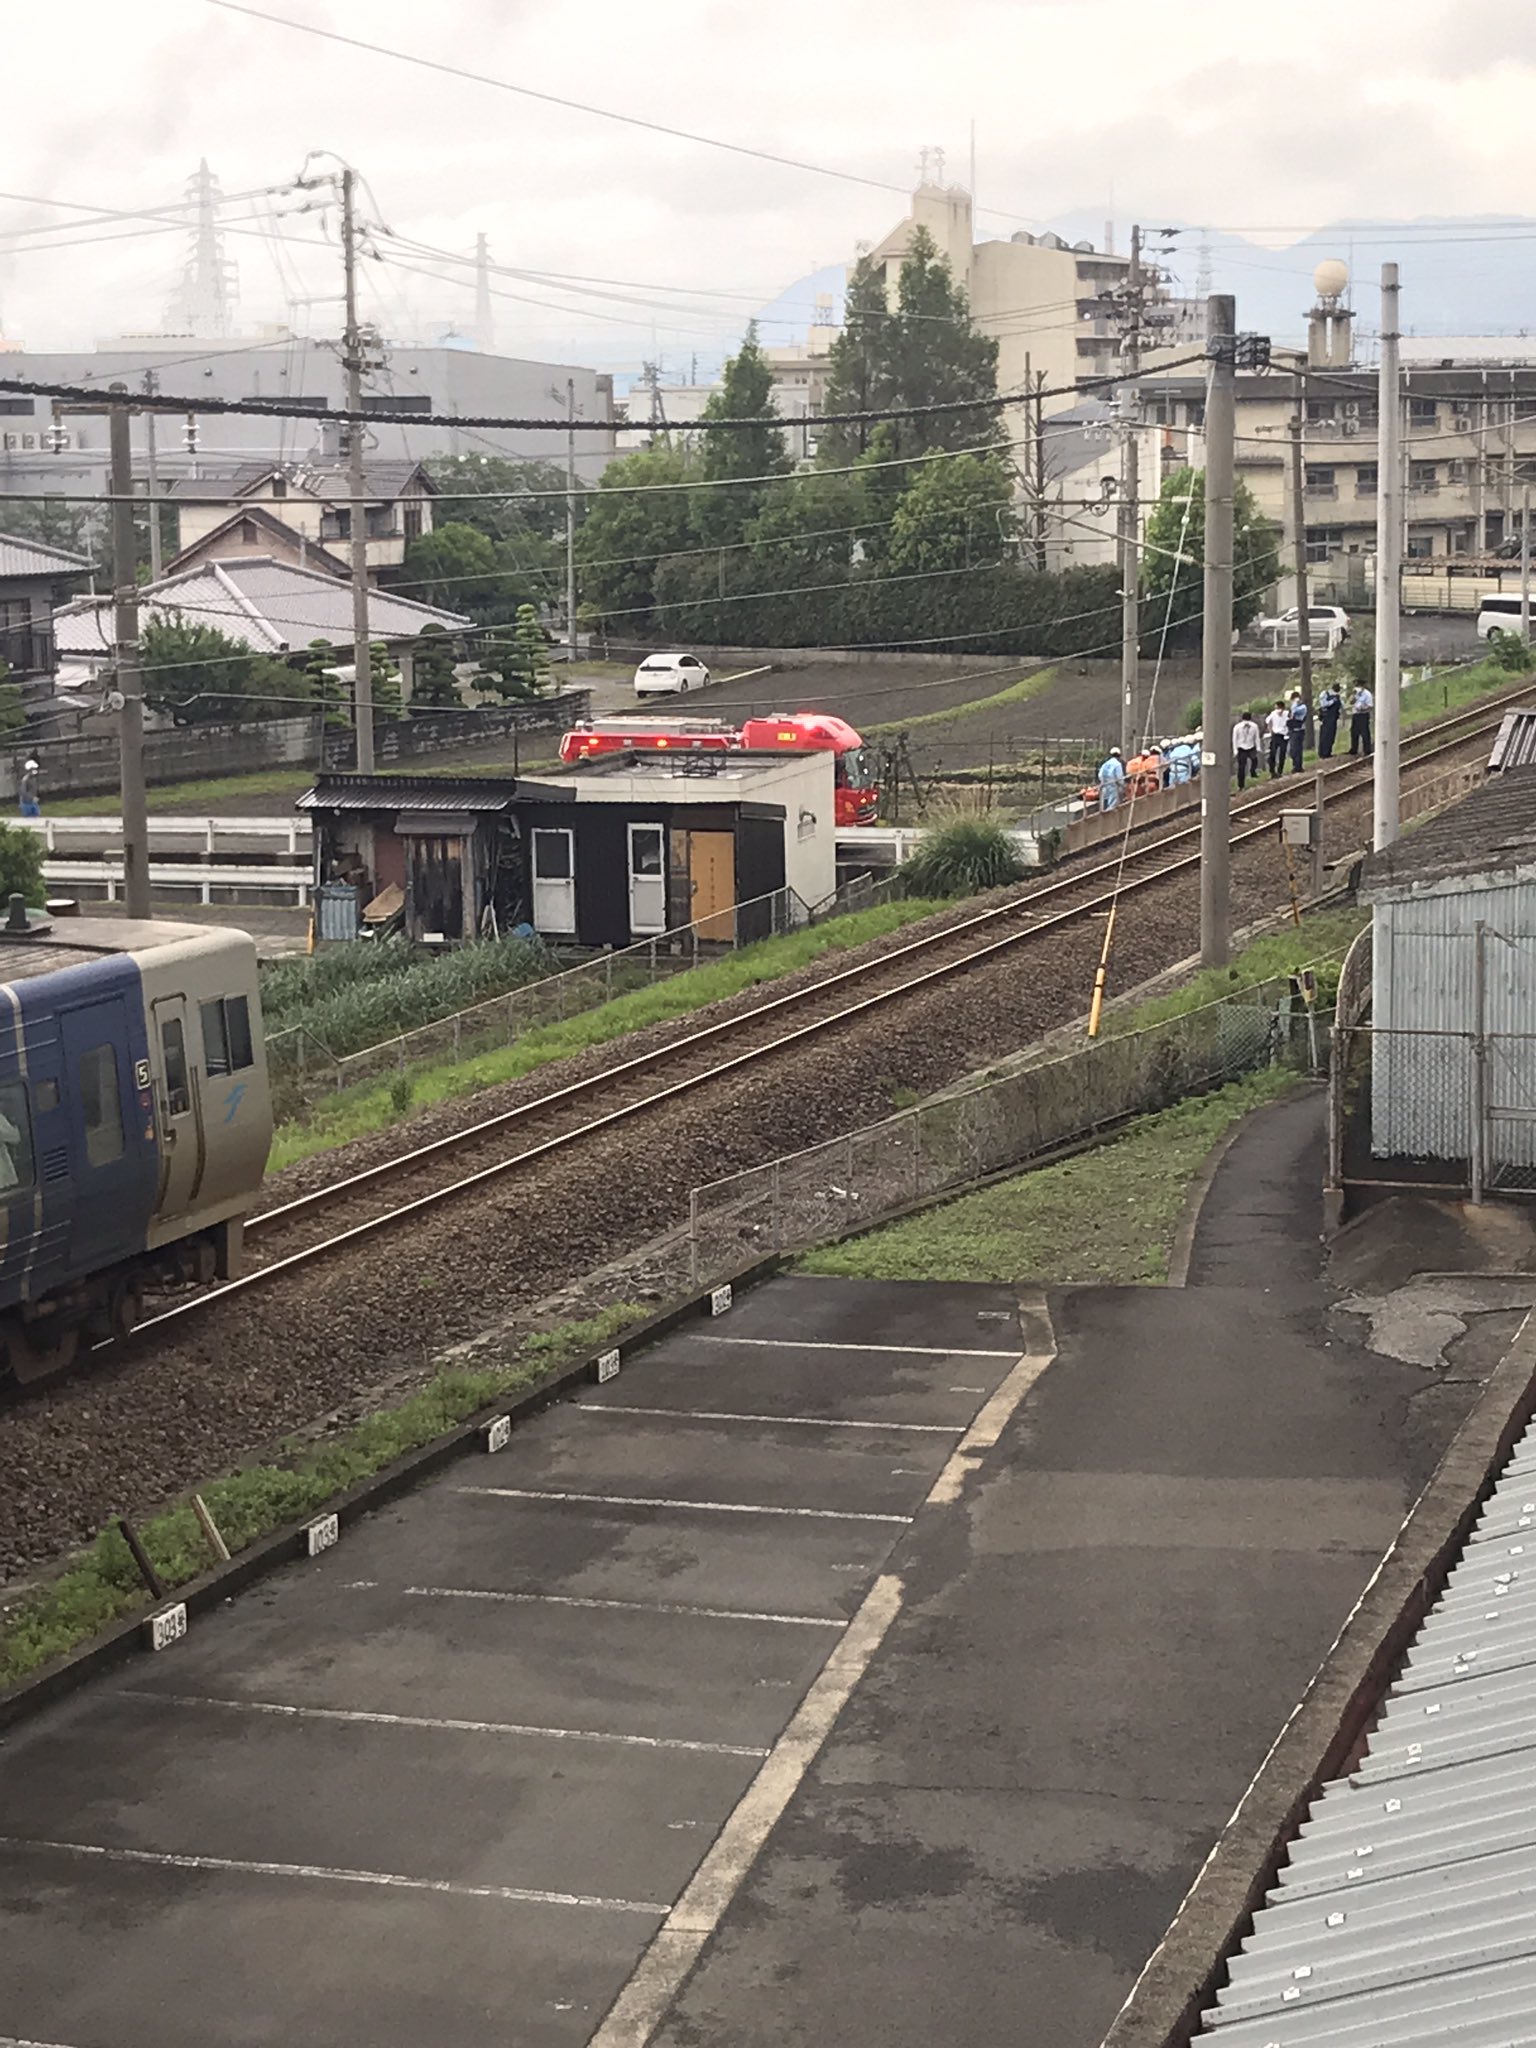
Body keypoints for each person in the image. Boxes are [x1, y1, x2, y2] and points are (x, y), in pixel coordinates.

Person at [1232, 711, 1261, 790]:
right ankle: (1241, 785)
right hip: (1241, 747)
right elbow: (1234, 739)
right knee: (1241, 767)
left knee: (1254, 760)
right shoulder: (1237, 727)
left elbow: (1256, 737)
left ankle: (1253, 771)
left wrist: (1258, 747)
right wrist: (1235, 750)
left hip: (1251, 746)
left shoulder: (1254, 726)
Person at [1317, 681, 1342, 759]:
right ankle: (1323, 753)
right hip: (1326, 717)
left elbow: (1340, 706)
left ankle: (1328, 752)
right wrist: (1333, 701)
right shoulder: (1325, 694)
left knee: (1331, 735)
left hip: (1334, 718)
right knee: (1325, 735)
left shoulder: (1337, 696)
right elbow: (1323, 704)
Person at [1097, 746, 1126, 812]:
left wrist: (1103, 781)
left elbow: (1100, 775)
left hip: (1105, 785)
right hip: (1113, 786)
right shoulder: (1118, 764)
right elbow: (1119, 777)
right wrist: (1122, 785)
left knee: (1105, 802)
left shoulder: (1105, 764)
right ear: (1119, 755)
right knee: (1113, 803)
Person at [1265, 701, 1289, 778]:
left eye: (1278, 708)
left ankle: (1280, 771)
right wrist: (1271, 730)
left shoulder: (1287, 714)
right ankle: (1272, 771)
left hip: (1284, 735)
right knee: (1272, 754)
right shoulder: (1273, 713)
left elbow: (1291, 721)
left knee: (1282, 754)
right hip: (1275, 735)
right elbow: (1268, 721)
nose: (1277, 710)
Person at [1287, 692, 1309, 773]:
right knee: (1294, 749)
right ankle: (1296, 765)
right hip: (1293, 730)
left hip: (1299, 730)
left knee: (1296, 749)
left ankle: (1298, 766)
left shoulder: (1302, 707)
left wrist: (1295, 703)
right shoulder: (1296, 706)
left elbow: (1294, 711)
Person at [1350, 684, 1374, 757]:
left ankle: (1367, 749)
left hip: (1363, 715)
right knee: (1354, 732)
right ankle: (1354, 749)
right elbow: (1351, 702)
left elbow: (1370, 706)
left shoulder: (1367, 694)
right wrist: (1353, 695)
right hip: (1355, 714)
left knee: (1364, 732)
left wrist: (1363, 709)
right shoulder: (1355, 694)